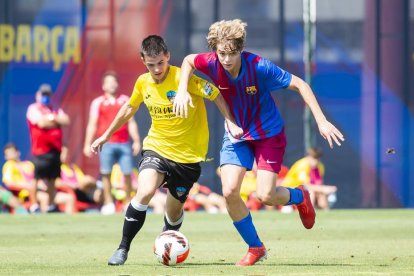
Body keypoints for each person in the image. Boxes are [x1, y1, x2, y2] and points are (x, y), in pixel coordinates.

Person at [173, 19, 345, 266]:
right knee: (230, 191)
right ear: (215, 51)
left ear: (240, 50)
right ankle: (256, 247)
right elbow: (189, 60)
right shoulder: (211, 61)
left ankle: (300, 196)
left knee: (266, 195)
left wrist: (321, 120)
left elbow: (300, 84)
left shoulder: (260, 67)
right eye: (222, 53)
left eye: (232, 53)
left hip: (268, 135)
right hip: (236, 135)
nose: (226, 59)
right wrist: (181, 90)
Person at [90, 35, 241, 266]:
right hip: (157, 148)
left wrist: (230, 121)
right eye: (151, 65)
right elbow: (129, 107)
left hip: (187, 159)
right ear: (143, 60)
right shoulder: (143, 82)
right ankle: (122, 248)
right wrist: (106, 135)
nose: (157, 69)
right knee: (144, 192)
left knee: (173, 213)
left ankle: (168, 237)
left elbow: (216, 94)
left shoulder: (184, 78)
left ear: (167, 56)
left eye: (160, 62)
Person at [83, 71, 142, 215]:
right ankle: (109, 203)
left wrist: (136, 141)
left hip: (123, 143)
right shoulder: (98, 102)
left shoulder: (125, 100)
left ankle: (128, 202)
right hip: (106, 144)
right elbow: (92, 124)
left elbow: (131, 122)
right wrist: (87, 143)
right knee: (106, 173)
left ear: (118, 84)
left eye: (114, 81)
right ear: (103, 86)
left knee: (127, 173)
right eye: (108, 82)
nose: (111, 85)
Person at [26, 84, 71, 213]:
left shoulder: (54, 108)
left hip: (55, 150)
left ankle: (51, 205)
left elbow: (66, 120)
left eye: (47, 95)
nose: (45, 97)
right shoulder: (33, 108)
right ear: (38, 95)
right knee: (36, 178)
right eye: (43, 94)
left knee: (53, 179)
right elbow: (41, 123)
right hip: (40, 150)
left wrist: (52, 117)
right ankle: (34, 205)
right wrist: (56, 120)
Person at [2, 143, 76, 214]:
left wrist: (42, 185)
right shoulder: (9, 165)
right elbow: (9, 183)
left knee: (69, 198)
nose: (11, 156)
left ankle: (68, 223)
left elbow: (38, 178)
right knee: (45, 198)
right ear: (6, 157)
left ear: (18, 153)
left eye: (12, 152)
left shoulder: (28, 164)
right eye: (8, 154)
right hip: (26, 194)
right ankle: (45, 222)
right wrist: (29, 186)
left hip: (42, 190)